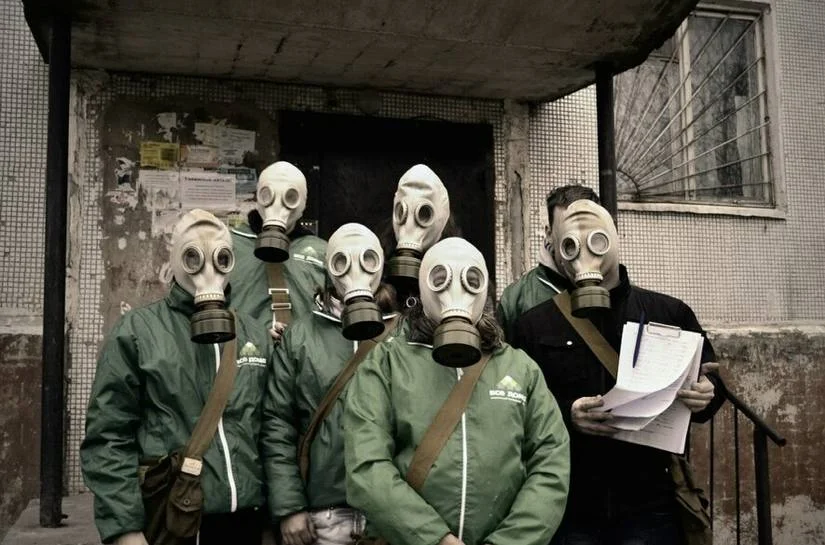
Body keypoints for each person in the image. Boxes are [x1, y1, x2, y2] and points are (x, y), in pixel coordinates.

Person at [511, 200, 724, 545]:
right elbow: (516, 405)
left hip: (649, 500)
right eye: (570, 245)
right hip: (569, 500)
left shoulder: (669, 313)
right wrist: (567, 414)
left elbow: (709, 386)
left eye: (596, 241)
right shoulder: (533, 325)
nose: (584, 255)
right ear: (558, 253)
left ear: (614, 240)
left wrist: (707, 391)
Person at [344, 237, 571, 545]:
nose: (456, 292)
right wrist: (433, 538)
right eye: (440, 280)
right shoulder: (387, 363)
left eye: (470, 281)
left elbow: (550, 465)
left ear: (485, 288)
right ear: (423, 288)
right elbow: (367, 465)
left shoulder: (520, 369)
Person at [80, 209, 275, 545]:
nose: (209, 271)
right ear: (176, 261)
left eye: (221, 258)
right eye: (193, 258)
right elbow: (108, 436)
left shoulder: (253, 334)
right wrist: (124, 529)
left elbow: (273, 431)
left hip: (246, 519)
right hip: (175, 519)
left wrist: (280, 513)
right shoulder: (139, 332)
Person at [261, 223, 399, 545]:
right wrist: (290, 507)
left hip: (389, 515)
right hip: (323, 517)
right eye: (342, 261)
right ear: (328, 268)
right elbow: (278, 423)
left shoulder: (401, 336)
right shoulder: (300, 336)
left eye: (367, 260)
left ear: (380, 265)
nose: (355, 271)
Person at [229, 161, 327, 342]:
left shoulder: (322, 252)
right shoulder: (228, 246)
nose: (277, 204)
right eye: (268, 195)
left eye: (290, 198)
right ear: (258, 197)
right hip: (243, 354)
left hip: (300, 356)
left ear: (303, 204)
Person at [497, 184, 599, 343]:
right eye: (568, 232)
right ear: (549, 234)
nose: (579, 241)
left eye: (588, 230)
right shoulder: (518, 300)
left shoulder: (619, 290)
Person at [378, 163, 461, 311]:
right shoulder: (374, 267)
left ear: (441, 220)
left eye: (424, 214)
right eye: (402, 212)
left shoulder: (465, 275)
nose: (410, 224)